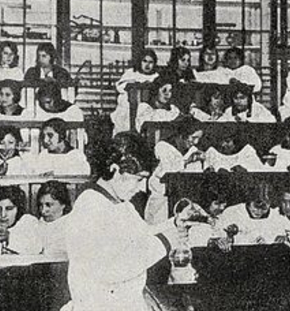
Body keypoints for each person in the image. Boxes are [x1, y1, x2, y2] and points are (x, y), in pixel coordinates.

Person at [63, 132, 203, 311]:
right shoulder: (90, 206)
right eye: (138, 179)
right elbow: (112, 267)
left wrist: (175, 223)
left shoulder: (121, 205)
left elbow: (143, 235)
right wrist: (167, 240)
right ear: (114, 169)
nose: (140, 188)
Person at [143, 116, 207, 223]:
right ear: (182, 135)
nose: (196, 142)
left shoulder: (193, 150)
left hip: (184, 198)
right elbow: (169, 172)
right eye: (193, 137)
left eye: (199, 139)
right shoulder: (163, 147)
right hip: (161, 199)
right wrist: (187, 161)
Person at [218, 182, 287, 245]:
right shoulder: (232, 212)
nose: (259, 211)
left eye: (264, 208)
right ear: (249, 201)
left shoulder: (277, 216)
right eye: (256, 207)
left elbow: (282, 235)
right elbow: (219, 236)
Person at [110, 49, 160, 134]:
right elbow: (120, 86)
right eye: (144, 61)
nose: (147, 65)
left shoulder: (156, 76)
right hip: (128, 107)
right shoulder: (131, 72)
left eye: (150, 62)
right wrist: (130, 84)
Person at [0, 186, 43, 255]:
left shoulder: (28, 222)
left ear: (18, 209)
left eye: (9, 208)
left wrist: (9, 238)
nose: (3, 215)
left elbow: (36, 250)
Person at [36, 181, 73, 257]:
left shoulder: (70, 226)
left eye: (48, 205)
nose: (43, 210)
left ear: (63, 204)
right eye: (41, 205)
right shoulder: (35, 224)